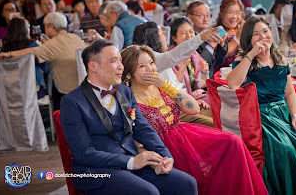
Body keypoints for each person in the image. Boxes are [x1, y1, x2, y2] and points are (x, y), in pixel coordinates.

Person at [121, 44, 268, 195]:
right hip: (162, 146)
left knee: (233, 142)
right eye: (142, 66)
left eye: (151, 63)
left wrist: (164, 84)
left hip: (184, 134)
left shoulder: (160, 85)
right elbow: (134, 137)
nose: (150, 69)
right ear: (129, 73)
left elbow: (193, 109)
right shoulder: (128, 99)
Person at [60, 39, 198, 194]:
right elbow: (84, 153)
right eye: (114, 61)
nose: (121, 66)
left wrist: (165, 156)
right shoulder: (72, 102)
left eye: (120, 60)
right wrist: (131, 162)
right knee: (148, 192)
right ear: (93, 66)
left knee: (187, 183)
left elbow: (143, 129)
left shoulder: (125, 92)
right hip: (98, 171)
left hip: (132, 163)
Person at [226, 16, 296, 195]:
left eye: (265, 31)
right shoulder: (244, 60)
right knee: (284, 148)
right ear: (249, 39)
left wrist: (295, 115)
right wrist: (251, 54)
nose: (263, 37)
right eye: (256, 34)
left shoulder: (280, 59)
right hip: (260, 117)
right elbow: (232, 83)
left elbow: (290, 92)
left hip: (282, 114)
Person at [0, 12, 85, 111]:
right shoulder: (75, 37)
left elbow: (32, 52)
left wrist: (9, 54)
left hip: (64, 91)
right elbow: (46, 64)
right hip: (82, 87)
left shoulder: (52, 44)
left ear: (50, 27)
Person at [132, 21, 214, 127]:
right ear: (154, 38)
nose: (165, 38)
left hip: (180, 104)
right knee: (216, 121)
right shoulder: (155, 59)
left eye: (191, 32)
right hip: (171, 110)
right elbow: (174, 56)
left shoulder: (159, 59)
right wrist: (201, 37)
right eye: (162, 34)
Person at [2, 17, 49, 99]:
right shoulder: (33, 47)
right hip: (33, 91)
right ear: (26, 30)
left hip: (10, 91)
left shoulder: (3, 50)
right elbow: (47, 68)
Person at [187, 0, 228, 79]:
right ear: (190, 17)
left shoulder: (205, 34)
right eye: (200, 16)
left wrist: (221, 44)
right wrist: (211, 45)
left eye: (208, 15)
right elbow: (199, 66)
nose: (205, 19)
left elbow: (217, 63)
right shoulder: (189, 37)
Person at [215, 0, 246, 72]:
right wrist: (237, 38)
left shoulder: (242, 29)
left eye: (238, 12)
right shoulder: (217, 31)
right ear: (222, 13)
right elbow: (221, 55)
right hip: (222, 74)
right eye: (230, 12)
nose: (234, 17)